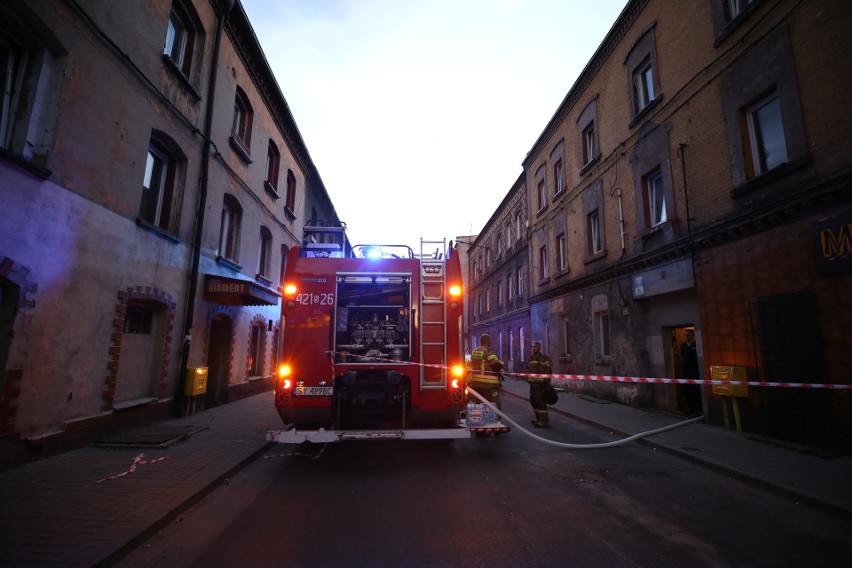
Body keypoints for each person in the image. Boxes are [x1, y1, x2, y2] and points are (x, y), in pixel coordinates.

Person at [467, 333, 504, 411]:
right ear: (488, 341)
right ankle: (497, 419)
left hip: (476, 384)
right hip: (488, 384)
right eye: (490, 340)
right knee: (495, 404)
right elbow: (496, 366)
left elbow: (471, 364)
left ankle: (482, 421)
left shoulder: (475, 351)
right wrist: (501, 362)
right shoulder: (487, 351)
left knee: (479, 404)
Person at [526, 340, 553, 427]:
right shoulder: (532, 358)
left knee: (541, 403)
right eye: (532, 347)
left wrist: (546, 384)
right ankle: (538, 419)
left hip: (540, 385)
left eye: (535, 347)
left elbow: (548, 372)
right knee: (533, 402)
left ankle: (544, 421)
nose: (533, 348)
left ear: (539, 348)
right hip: (532, 385)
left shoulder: (544, 358)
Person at [679, 329, 702, 415]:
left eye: (688, 334)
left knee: (696, 391)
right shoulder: (683, 346)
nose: (686, 336)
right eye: (685, 335)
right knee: (686, 391)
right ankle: (689, 408)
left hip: (694, 371)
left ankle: (698, 409)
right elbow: (682, 357)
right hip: (686, 371)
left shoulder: (696, 345)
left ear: (692, 335)